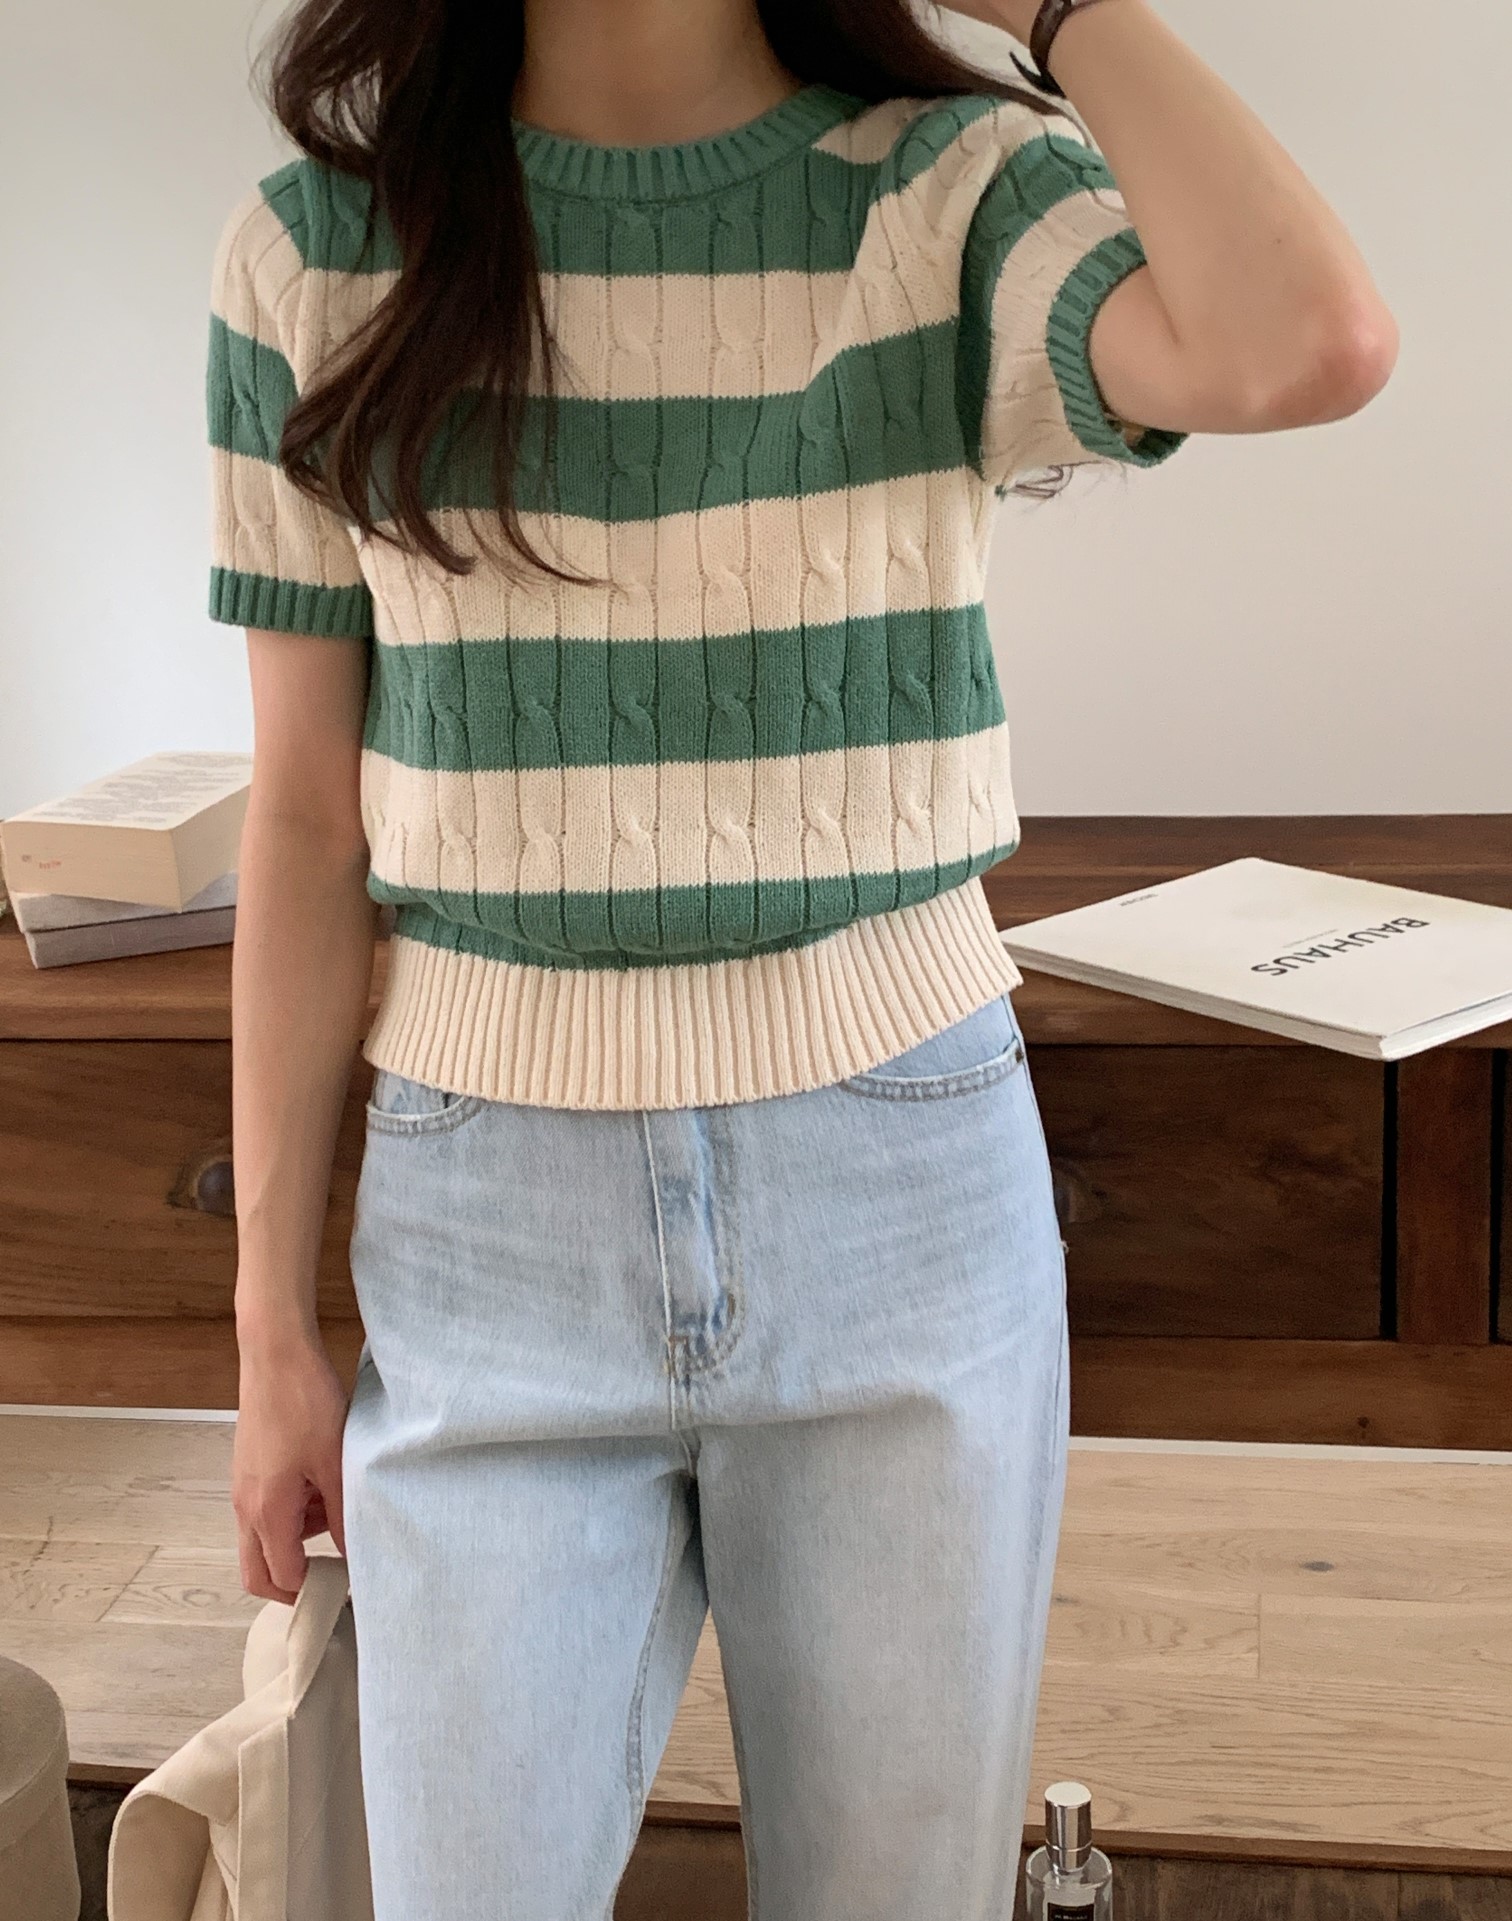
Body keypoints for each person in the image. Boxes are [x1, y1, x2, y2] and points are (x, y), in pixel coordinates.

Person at [211, 0, 1395, 1914]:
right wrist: (269, 1332)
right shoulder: (319, 247)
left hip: (900, 1190)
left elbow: (1311, 340)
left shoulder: (958, 194)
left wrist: (1053, 10)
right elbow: (302, 822)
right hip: (487, 1226)